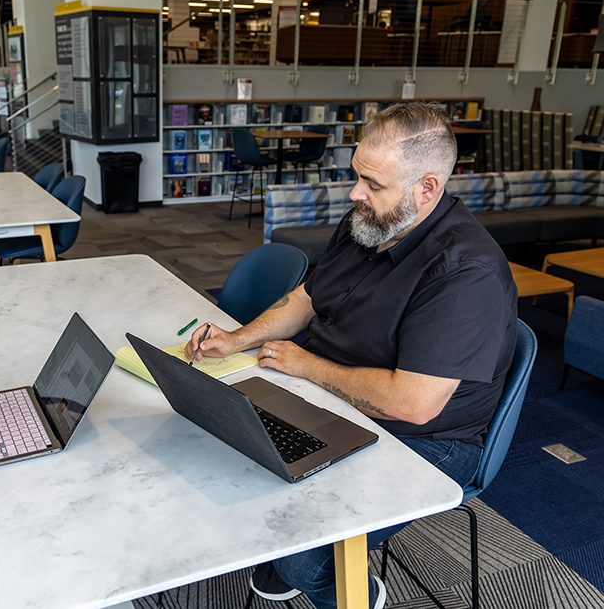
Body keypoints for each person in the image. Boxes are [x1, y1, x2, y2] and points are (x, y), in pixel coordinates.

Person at [184, 103, 517, 609]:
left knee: (298, 548)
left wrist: (307, 367)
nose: (355, 193)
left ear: (426, 188)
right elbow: (307, 299)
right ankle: (292, 547)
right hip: (328, 396)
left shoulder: (464, 272)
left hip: (425, 438)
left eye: (373, 184)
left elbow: (414, 405)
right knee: (213, 436)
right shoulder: (369, 220)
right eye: (356, 175)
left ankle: (353, 591)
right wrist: (237, 339)